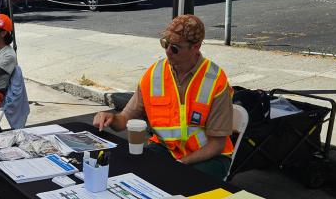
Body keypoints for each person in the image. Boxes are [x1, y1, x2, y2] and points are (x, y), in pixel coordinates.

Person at [92, 15, 234, 179]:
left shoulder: (215, 80)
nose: (167, 51)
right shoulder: (154, 74)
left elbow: (217, 144)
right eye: (165, 43)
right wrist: (110, 118)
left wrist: (182, 163)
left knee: (182, 182)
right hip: (166, 149)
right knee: (135, 174)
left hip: (209, 157)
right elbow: (124, 119)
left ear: (196, 47)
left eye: (175, 47)